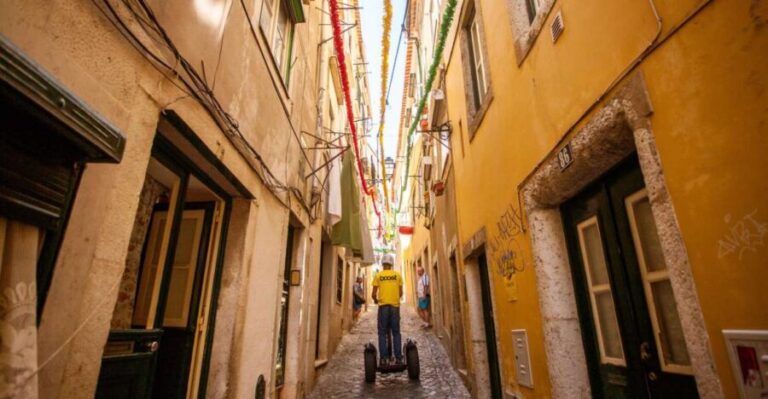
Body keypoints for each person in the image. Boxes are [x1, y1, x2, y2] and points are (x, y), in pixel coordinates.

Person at [371, 254, 403, 366]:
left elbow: (373, 294)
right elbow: (401, 293)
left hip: (383, 307)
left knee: (382, 332)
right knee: (396, 332)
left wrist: (376, 300)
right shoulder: (397, 275)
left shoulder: (378, 276)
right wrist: (394, 298)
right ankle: (399, 358)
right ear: (391, 264)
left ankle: (384, 359)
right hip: (395, 307)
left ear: (383, 264)